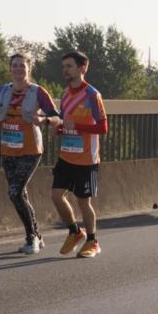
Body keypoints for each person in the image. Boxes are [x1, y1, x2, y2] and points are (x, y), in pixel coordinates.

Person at [0, 53, 60, 254]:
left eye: (22, 66)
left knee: (14, 192)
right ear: (10, 69)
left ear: (29, 69)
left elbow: (56, 118)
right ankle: (37, 236)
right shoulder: (1, 91)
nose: (18, 69)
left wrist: (43, 120)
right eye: (15, 66)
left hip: (30, 150)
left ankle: (31, 238)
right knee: (20, 194)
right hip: (8, 149)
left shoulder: (38, 92)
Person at [51, 51, 108, 258]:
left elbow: (103, 128)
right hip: (66, 155)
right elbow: (64, 123)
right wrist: (57, 129)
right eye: (63, 66)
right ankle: (75, 232)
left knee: (83, 201)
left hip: (86, 158)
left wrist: (78, 126)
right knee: (56, 196)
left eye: (69, 66)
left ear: (82, 68)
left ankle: (93, 241)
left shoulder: (93, 95)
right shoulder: (65, 95)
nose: (65, 70)